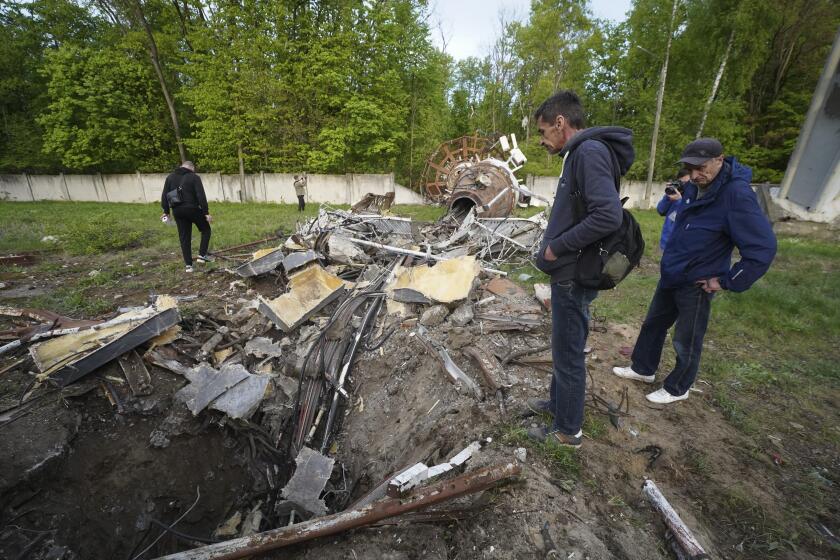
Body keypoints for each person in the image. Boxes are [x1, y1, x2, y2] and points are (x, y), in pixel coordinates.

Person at [613, 138, 777, 404]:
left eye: (701, 168)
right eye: (690, 168)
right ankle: (643, 368)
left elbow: (763, 247)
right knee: (653, 324)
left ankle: (678, 387)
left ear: (720, 160)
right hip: (673, 272)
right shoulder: (694, 185)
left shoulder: (736, 195)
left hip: (699, 280)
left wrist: (726, 281)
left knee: (686, 338)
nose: (695, 174)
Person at [529, 91, 635, 448]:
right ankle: (557, 405)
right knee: (563, 347)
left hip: (574, 271)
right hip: (570, 270)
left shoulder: (588, 152)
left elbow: (607, 215)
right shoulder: (582, 153)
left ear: (561, 123)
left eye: (544, 132)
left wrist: (557, 247)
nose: (543, 141)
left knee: (569, 351)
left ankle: (567, 431)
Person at [161, 161, 213, 273]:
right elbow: (201, 195)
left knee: (184, 237)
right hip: (192, 209)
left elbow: (165, 195)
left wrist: (166, 211)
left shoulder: (170, 177)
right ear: (191, 168)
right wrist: (206, 213)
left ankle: (188, 266)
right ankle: (202, 256)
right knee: (206, 230)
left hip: (177, 211)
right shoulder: (194, 177)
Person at [656, 168, 690, 251]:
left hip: (681, 246)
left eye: (686, 183)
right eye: (681, 182)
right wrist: (667, 197)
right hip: (666, 244)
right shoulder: (674, 194)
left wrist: (679, 201)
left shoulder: (693, 197)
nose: (683, 186)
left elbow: (685, 217)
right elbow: (660, 210)